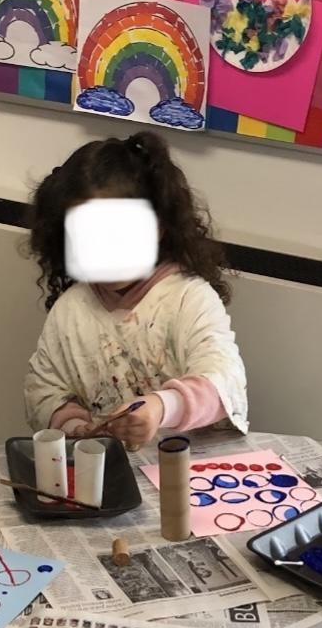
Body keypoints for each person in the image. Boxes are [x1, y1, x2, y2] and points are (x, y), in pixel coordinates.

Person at [23, 132, 248, 450]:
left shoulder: (188, 299)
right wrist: (75, 426)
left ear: (157, 228)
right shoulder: (71, 309)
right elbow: (44, 390)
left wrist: (161, 407)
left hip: (190, 467)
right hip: (108, 473)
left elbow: (224, 382)